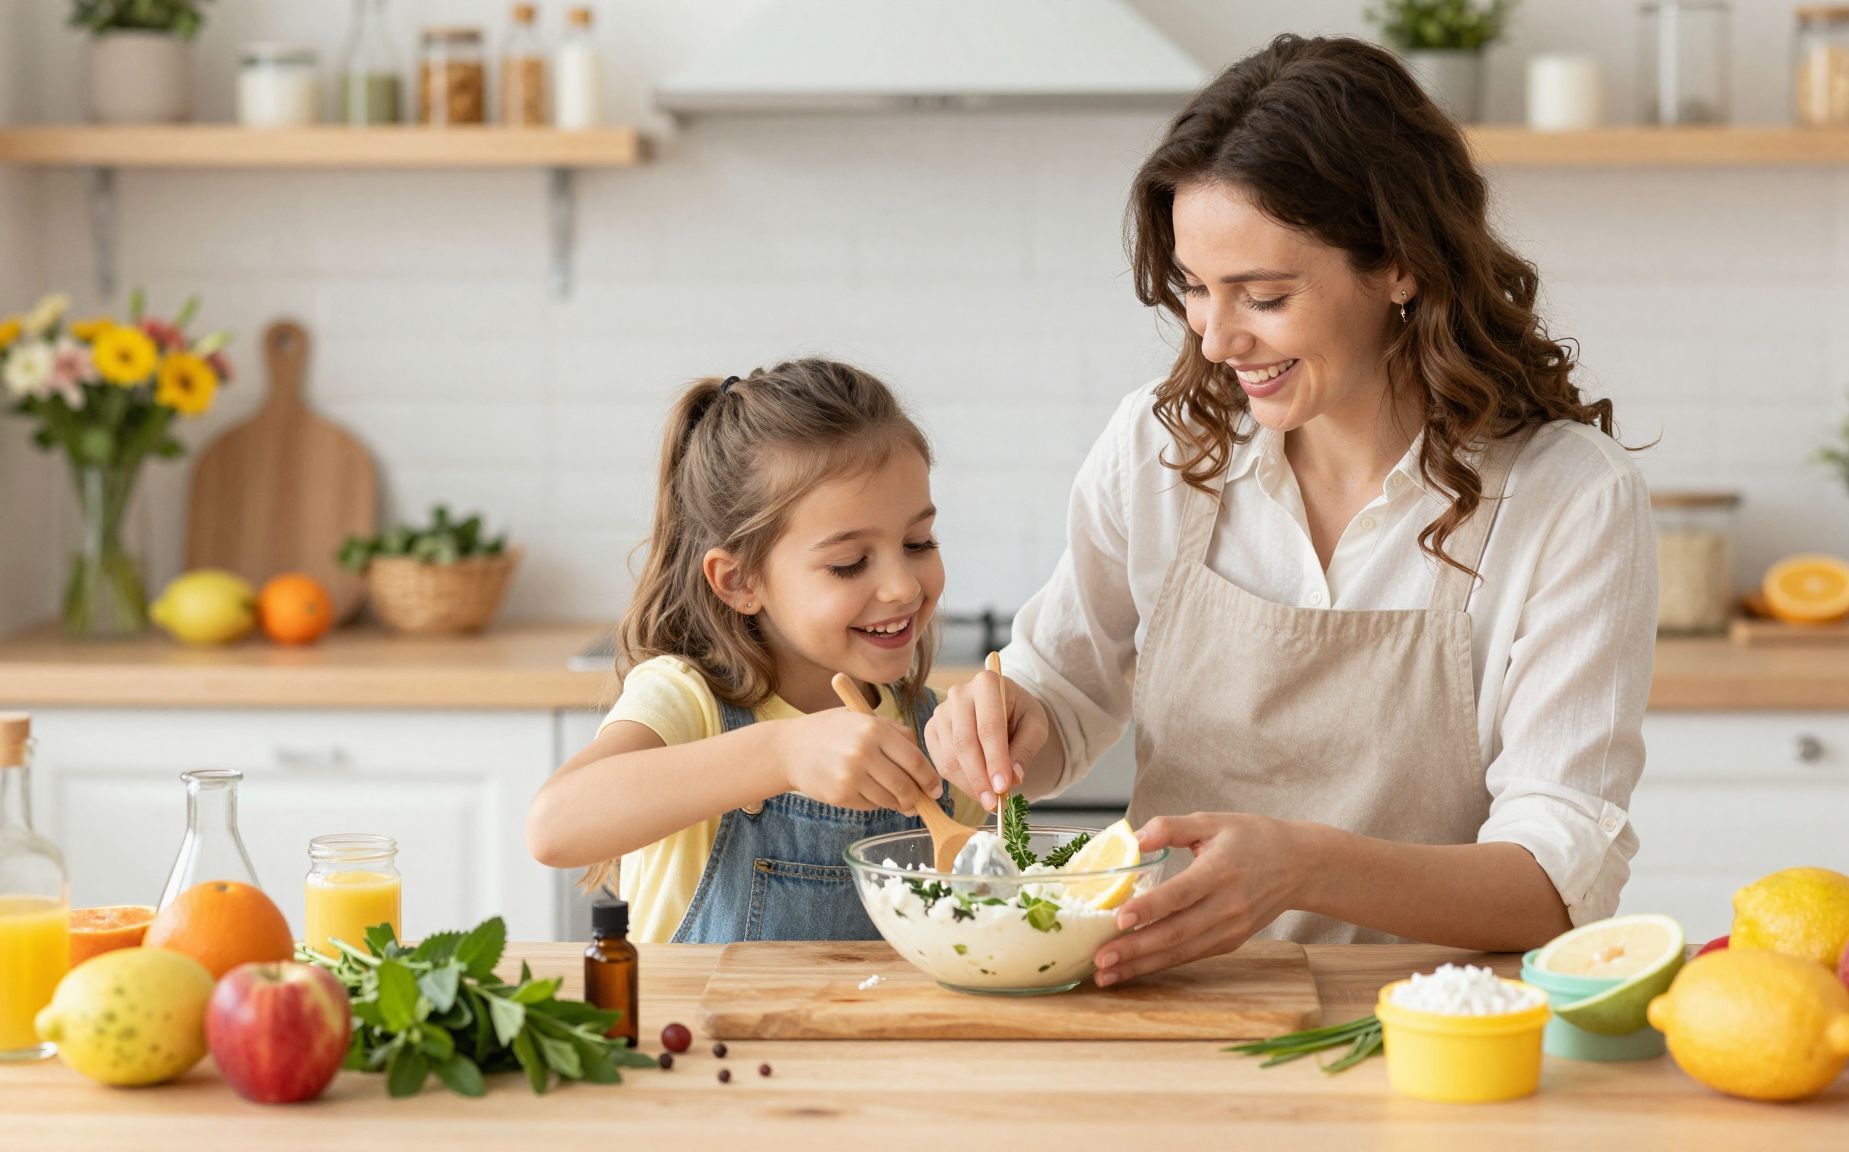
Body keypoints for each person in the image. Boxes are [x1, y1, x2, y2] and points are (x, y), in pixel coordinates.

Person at [924, 35, 1657, 987]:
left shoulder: (1567, 498)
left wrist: (1303, 868)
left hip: (1432, 1027)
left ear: (1399, 264)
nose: (1217, 338)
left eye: (1263, 296)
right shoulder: (1159, 445)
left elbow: (1557, 882)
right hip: (1174, 1006)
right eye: (1194, 288)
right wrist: (1002, 719)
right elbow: (1062, 695)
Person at [526, 359, 953, 945]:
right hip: (697, 1038)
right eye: (848, 563)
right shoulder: (687, 700)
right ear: (739, 581)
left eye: (918, 542)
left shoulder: (931, 727)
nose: (903, 586)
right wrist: (782, 754)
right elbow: (554, 825)